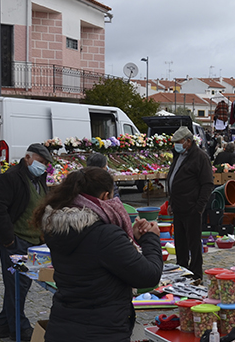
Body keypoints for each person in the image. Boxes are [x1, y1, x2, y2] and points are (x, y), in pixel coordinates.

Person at [34, 167, 162, 341]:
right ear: (104, 197)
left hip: (63, 327)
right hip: (100, 331)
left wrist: (127, 238)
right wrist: (151, 239)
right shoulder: (104, 235)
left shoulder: (59, 228)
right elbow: (149, 275)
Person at [0, 143, 53, 340]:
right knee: (16, 286)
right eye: (41, 162)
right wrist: (8, 239)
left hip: (33, 242)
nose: (43, 166)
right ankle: (19, 328)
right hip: (15, 241)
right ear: (28, 158)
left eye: (46, 163)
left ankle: (4, 325)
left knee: (20, 285)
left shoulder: (38, 179)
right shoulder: (10, 178)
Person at [167, 126, 214, 276]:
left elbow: (207, 184)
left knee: (194, 244)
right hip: (179, 207)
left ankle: (195, 275)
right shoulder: (179, 156)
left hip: (192, 207)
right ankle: (181, 271)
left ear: (188, 141)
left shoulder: (200, 157)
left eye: (178, 141)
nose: (176, 145)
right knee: (180, 243)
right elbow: (174, 179)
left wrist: (199, 207)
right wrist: (171, 201)